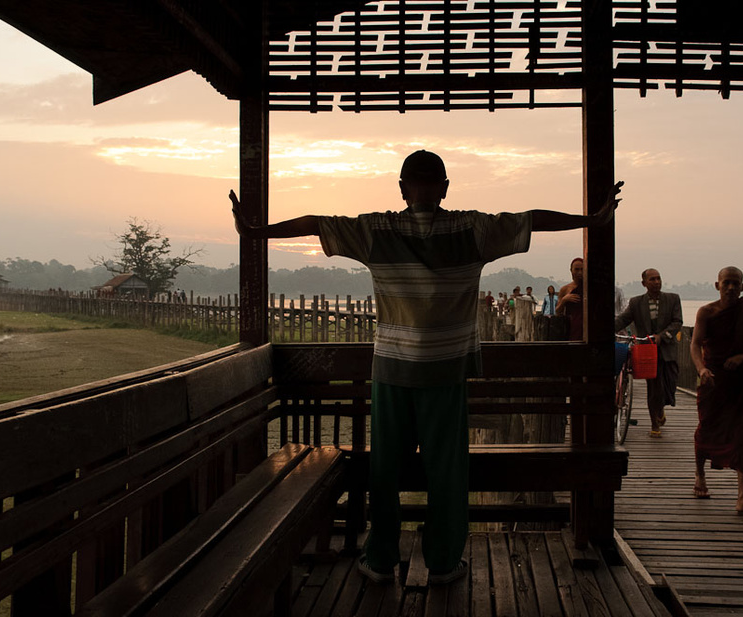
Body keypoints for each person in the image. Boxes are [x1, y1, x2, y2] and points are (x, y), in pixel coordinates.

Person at [231, 150, 624, 584]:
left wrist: (256, 231)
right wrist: (591, 221)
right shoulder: (472, 230)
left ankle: (380, 560)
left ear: (401, 190)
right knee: (447, 471)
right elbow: (532, 218)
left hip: (392, 371)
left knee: (385, 469)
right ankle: (441, 562)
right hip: (445, 372)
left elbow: (313, 223)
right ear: (445, 188)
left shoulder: (375, 230)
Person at [690, 266, 743, 515]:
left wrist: (741, 357)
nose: (730, 288)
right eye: (726, 283)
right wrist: (701, 369)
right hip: (713, 380)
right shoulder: (706, 312)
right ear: (717, 285)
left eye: (735, 284)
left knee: (742, 435)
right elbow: (695, 345)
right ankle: (700, 476)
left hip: (741, 382)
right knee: (707, 428)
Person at [614, 268, 683, 438]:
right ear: (644, 283)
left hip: (667, 349)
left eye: (658, 278)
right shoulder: (637, 302)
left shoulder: (672, 299)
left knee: (669, 386)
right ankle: (654, 423)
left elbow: (677, 322)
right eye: (652, 279)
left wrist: (663, 336)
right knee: (654, 387)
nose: (656, 282)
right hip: (646, 351)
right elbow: (623, 319)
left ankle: (660, 410)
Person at [556, 257, 584, 340]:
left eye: (582, 269)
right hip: (571, 325)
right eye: (576, 269)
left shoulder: (589, 288)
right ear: (571, 270)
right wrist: (564, 300)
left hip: (586, 326)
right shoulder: (565, 289)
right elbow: (557, 311)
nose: (579, 272)